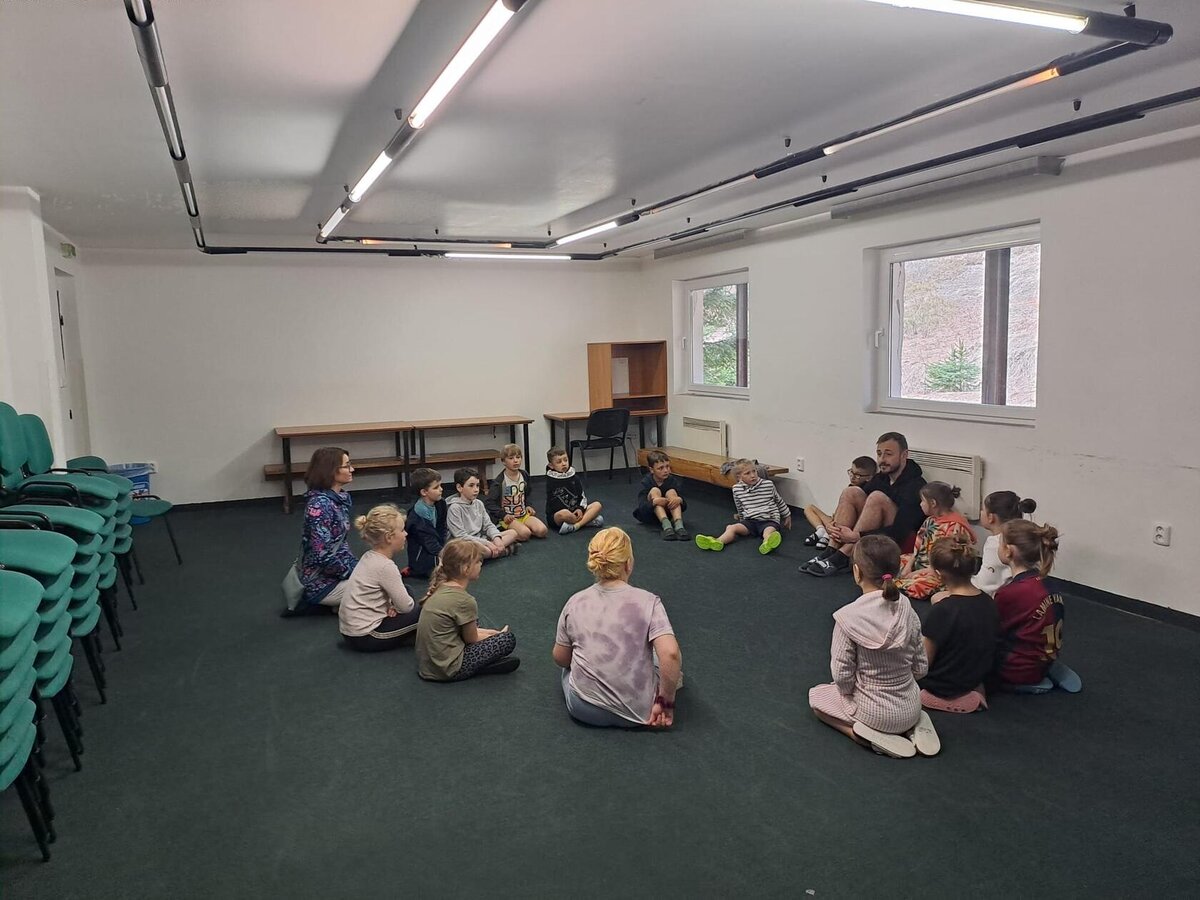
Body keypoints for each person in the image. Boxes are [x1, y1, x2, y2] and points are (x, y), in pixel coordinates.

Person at [808, 535, 940, 758]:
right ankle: (912, 728)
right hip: (911, 705)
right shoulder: (907, 610)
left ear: (856, 572)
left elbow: (841, 675)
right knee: (905, 703)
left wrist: (848, 694)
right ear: (897, 570)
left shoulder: (848, 618)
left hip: (872, 713)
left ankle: (861, 735)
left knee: (817, 699)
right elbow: (920, 668)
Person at [553, 527, 682, 727]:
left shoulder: (575, 602)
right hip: (642, 712)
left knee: (568, 666)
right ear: (628, 563)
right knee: (663, 657)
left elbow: (561, 658)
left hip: (585, 709)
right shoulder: (649, 601)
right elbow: (671, 654)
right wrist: (666, 701)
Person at [801, 432, 926, 578]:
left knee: (876, 497)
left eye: (888, 454)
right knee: (851, 491)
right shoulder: (881, 478)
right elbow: (857, 503)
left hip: (898, 541)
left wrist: (856, 536)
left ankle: (844, 555)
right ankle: (831, 550)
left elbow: (900, 531)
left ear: (904, 455)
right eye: (879, 454)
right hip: (873, 534)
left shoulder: (916, 486)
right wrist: (834, 526)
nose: (882, 459)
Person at [993, 519, 1082, 693]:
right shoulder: (1050, 584)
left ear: (1008, 551)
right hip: (1045, 656)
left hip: (1015, 669)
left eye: (999, 542)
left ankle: (1024, 680)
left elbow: (994, 632)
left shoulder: (1010, 593)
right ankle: (1044, 665)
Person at [415, 539, 520, 681]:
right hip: (447, 669)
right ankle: (481, 668)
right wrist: (496, 636)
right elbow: (471, 639)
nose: (481, 564)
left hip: (427, 667)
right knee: (507, 640)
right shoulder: (465, 601)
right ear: (466, 569)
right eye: (478, 562)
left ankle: (484, 661)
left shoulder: (440, 587)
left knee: (472, 620)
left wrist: (491, 633)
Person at [919, 534, 999, 713]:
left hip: (943, 684)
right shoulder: (989, 602)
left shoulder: (943, 611)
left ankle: (946, 699)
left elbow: (924, 663)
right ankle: (973, 690)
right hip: (976, 676)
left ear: (938, 575)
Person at [339, 504, 421, 652]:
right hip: (367, 636)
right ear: (389, 537)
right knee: (424, 611)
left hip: (351, 633)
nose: (406, 534)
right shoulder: (385, 567)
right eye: (402, 530)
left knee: (407, 589)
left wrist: (393, 606)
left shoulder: (369, 556)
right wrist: (398, 608)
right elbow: (407, 607)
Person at [293, 446, 357, 614]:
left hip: (335, 573)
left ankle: (344, 603)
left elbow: (340, 546)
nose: (352, 469)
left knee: (381, 576)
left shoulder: (336, 500)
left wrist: (357, 567)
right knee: (380, 586)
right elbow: (322, 555)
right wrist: (350, 573)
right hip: (320, 583)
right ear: (331, 471)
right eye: (347, 465)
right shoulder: (320, 506)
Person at [894, 482, 974, 601]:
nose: (920, 504)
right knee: (894, 561)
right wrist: (909, 566)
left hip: (940, 571)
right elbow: (918, 547)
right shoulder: (930, 521)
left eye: (922, 501)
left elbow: (949, 561)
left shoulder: (955, 527)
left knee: (919, 586)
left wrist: (917, 573)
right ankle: (901, 580)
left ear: (933, 503)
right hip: (922, 563)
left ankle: (901, 582)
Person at [695, 458, 792, 555]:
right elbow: (740, 506)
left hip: (769, 519)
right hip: (750, 521)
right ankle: (717, 541)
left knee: (768, 531)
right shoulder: (737, 489)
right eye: (747, 473)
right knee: (731, 528)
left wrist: (787, 515)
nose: (753, 475)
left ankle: (767, 543)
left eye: (754, 471)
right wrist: (742, 519)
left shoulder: (768, 485)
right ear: (739, 477)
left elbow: (779, 500)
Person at [445, 467, 520, 559]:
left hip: (480, 539)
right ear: (459, 487)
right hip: (465, 543)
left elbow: (488, 525)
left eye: (477, 485)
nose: (476, 489)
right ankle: (502, 551)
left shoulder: (479, 503)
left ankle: (491, 552)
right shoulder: (454, 508)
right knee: (480, 550)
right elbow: (460, 536)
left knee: (513, 533)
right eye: (471, 485)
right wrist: (487, 543)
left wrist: (496, 538)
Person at [803, 456, 877, 549]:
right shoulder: (851, 487)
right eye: (851, 472)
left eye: (857, 475)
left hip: (853, 526)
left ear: (869, 477)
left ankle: (829, 537)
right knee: (809, 508)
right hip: (838, 521)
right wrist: (832, 522)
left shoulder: (866, 492)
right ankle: (821, 530)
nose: (852, 477)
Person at [974, 491, 1037, 595]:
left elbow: (984, 585)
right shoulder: (1023, 538)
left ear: (991, 517)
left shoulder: (996, 544)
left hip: (998, 599)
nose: (981, 512)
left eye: (982, 509)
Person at [485, 444, 548, 542]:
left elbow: (527, 493)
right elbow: (489, 502)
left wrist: (528, 505)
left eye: (518, 457)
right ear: (503, 461)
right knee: (525, 534)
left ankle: (520, 528)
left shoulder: (524, 475)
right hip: (507, 518)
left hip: (523, 514)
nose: (515, 461)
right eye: (511, 458)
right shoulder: (499, 481)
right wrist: (503, 515)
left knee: (542, 531)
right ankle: (505, 531)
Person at [544, 446, 604, 534]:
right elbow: (553, 504)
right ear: (551, 466)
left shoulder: (575, 478)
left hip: (576, 512)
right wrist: (571, 513)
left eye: (565, 460)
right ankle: (587, 521)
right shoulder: (551, 481)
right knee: (564, 513)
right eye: (559, 462)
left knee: (597, 505)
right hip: (558, 516)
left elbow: (582, 497)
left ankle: (575, 526)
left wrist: (580, 509)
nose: (563, 464)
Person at [633, 450, 689, 541]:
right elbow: (642, 507)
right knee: (655, 491)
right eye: (660, 468)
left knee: (671, 492)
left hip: (669, 513)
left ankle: (679, 526)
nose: (666, 470)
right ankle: (666, 526)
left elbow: (684, 506)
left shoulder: (672, 481)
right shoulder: (646, 482)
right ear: (652, 470)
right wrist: (654, 502)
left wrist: (679, 500)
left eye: (667, 466)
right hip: (650, 515)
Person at [403, 467, 448, 579]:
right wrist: (444, 555)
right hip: (422, 555)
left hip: (437, 548)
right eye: (436, 487)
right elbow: (428, 541)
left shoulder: (441, 503)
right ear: (424, 492)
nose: (441, 489)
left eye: (440, 485)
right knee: (449, 569)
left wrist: (444, 549)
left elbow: (442, 528)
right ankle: (413, 570)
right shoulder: (417, 515)